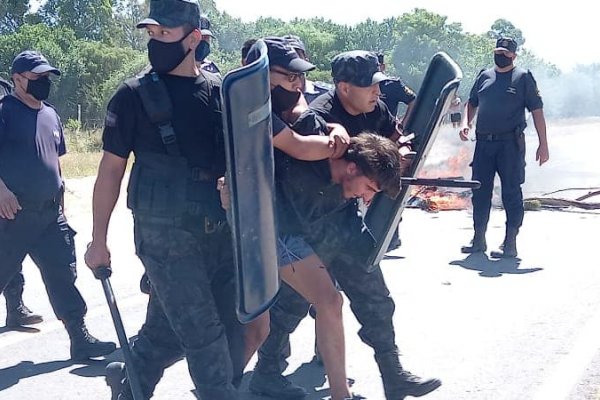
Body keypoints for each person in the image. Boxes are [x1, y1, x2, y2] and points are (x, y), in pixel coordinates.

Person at [250, 50, 441, 400]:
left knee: (375, 296)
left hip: (344, 221)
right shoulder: (318, 117)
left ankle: (393, 373)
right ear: (343, 87)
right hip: (307, 224)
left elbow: (388, 146)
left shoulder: (376, 111)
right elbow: (293, 171)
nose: (377, 93)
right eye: (369, 86)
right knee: (291, 305)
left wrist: (397, 153)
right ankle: (267, 373)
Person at [84, 1, 244, 398]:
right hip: (164, 235)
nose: (155, 41)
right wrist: (98, 239)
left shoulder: (220, 93)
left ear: (193, 39)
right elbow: (110, 171)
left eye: (165, 34)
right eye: (152, 34)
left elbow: (240, 163)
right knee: (205, 338)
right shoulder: (133, 96)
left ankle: (129, 381)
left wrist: (235, 191)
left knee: (170, 332)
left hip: (218, 231)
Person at [243, 36, 357, 400]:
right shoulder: (250, 107)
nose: (297, 84)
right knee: (259, 326)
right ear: (263, 75)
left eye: (299, 77)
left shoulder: (274, 103)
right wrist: (338, 144)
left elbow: (310, 114)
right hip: (259, 224)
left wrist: (335, 128)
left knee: (263, 326)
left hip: (277, 221)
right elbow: (298, 144)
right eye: (288, 77)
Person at [0, 51, 116, 360]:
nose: (43, 83)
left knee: (63, 275)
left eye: (46, 77)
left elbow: (56, 164)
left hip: (50, 215)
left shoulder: (50, 113)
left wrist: (61, 202)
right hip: (13, 215)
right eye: (36, 78)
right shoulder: (4, 111)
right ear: (18, 78)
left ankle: (80, 339)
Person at [459, 37, 549, 258]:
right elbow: (471, 103)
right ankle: (478, 239)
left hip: (510, 145)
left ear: (514, 56)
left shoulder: (523, 78)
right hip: (483, 145)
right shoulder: (484, 76)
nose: (501, 56)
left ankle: (510, 242)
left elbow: (537, 111)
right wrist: (465, 123)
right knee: (480, 192)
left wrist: (543, 144)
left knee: (511, 193)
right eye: (498, 51)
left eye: (506, 53)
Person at [283, 34, 331, 104]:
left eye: (296, 55)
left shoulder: (327, 95)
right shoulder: (271, 97)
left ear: (306, 60)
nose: (293, 61)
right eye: (288, 56)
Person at [377, 53, 416, 126]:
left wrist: (403, 124)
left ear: (382, 67)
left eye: (376, 66)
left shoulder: (393, 84)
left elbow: (413, 101)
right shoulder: (364, 85)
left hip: (388, 131)